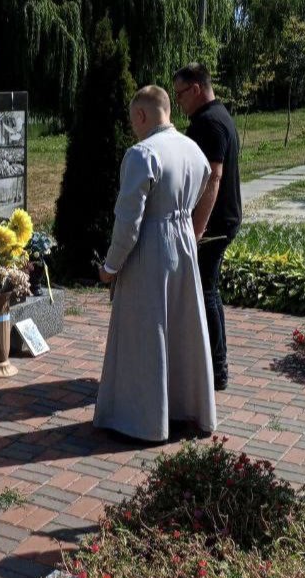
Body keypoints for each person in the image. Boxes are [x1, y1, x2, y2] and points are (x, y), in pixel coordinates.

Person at [95, 86, 217, 442]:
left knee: (146, 332)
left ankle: (143, 420)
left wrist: (111, 266)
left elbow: (128, 221)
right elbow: (207, 181)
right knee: (183, 328)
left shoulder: (141, 154)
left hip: (150, 247)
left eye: (133, 119)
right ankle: (183, 407)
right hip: (182, 240)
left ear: (142, 115)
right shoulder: (192, 149)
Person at [173, 63, 242, 391]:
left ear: (196, 89)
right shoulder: (218, 116)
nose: (179, 103)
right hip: (220, 219)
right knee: (205, 289)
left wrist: (196, 228)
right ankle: (210, 364)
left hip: (214, 223)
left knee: (206, 290)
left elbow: (213, 176)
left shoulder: (209, 123)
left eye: (181, 94)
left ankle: (217, 368)